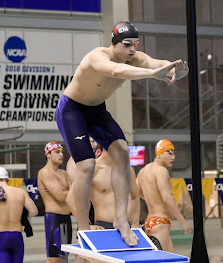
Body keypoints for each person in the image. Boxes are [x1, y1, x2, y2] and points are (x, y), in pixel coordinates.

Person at [56, 20, 189, 246]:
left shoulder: (134, 58)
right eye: (127, 44)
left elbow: (157, 63)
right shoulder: (97, 57)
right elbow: (116, 70)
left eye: (135, 44)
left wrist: (176, 68)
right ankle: (83, 225)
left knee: (122, 151)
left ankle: (120, 219)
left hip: (96, 110)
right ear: (114, 43)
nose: (132, 50)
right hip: (73, 110)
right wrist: (151, 74)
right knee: (87, 165)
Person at [67, 137, 140, 230]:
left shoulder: (127, 170)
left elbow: (135, 197)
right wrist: (86, 225)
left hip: (127, 226)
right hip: (104, 226)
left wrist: (135, 224)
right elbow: (70, 199)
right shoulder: (93, 169)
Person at [136, 139, 192, 252]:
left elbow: (136, 194)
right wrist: (183, 221)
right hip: (161, 222)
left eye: (174, 153)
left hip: (149, 221)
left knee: (171, 258)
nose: (173, 158)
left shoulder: (143, 171)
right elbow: (167, 199)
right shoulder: (161, 171)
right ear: (159, 154)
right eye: (169, 153)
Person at [0, 166, 38, 262]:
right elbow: (34, 211)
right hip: (17, 236)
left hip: (0, 237)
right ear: (7, 179)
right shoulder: (21, 192)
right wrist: (21, 216)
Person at [37, 142, 73, 263]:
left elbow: (74, 195)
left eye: (62, 152)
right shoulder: (44, 172)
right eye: (57, 152)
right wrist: (68, 191)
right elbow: (61, 196)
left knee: (65, 258)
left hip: (67, 218)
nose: (61, 155)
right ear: (48, 154)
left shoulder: (64, 173)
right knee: (54, 259)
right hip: (54, 220)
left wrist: (67, 191)